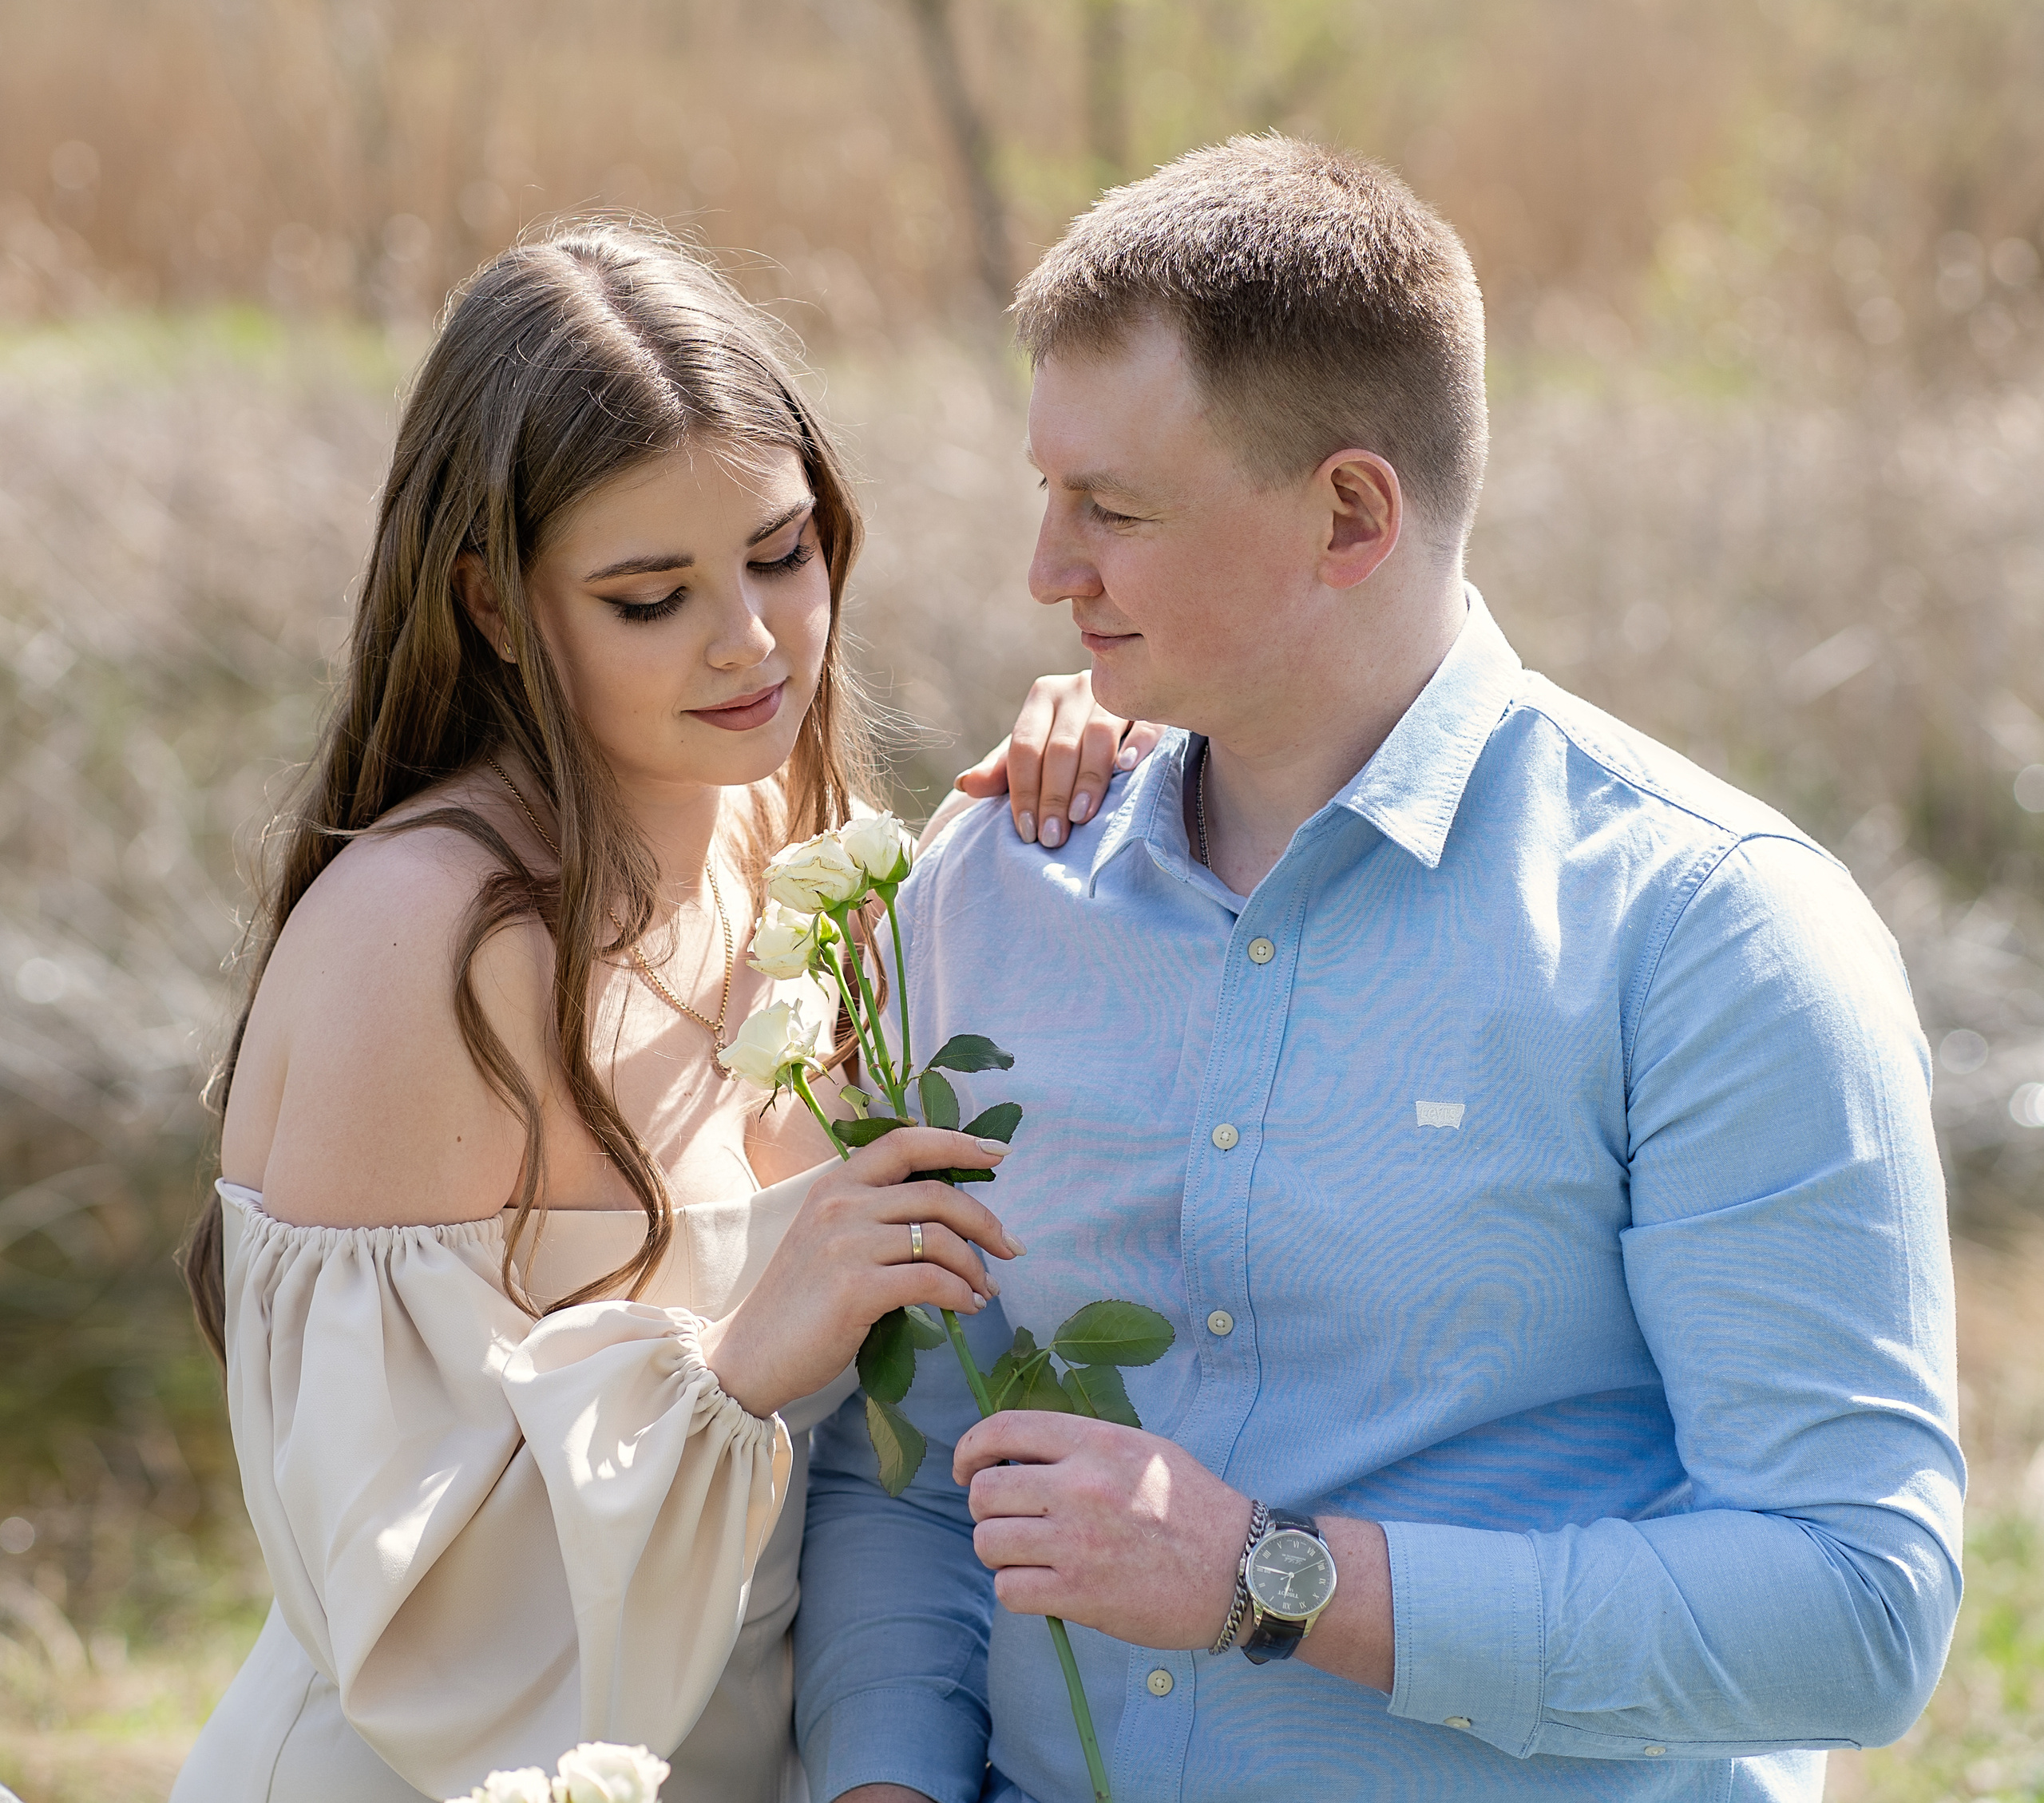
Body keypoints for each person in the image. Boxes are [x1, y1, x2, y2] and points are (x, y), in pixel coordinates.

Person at [794, 136, 1963, 1803]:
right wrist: (882, 1785)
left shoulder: (1712, 938)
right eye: (1044, 493)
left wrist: (1271, 1578)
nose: (1043, 570)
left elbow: (1853, 1606)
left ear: (1349, 512)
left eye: (1110, 510)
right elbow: (910, 1478)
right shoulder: (986, 888)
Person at [168, 219, 1151, 1803]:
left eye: (780, 550)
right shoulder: (425, 946)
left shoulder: (799, 844)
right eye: (649, 595)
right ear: (494, 607)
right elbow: (408, 1616)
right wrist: (733, 1366)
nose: (749, 639)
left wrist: (1116, 744)